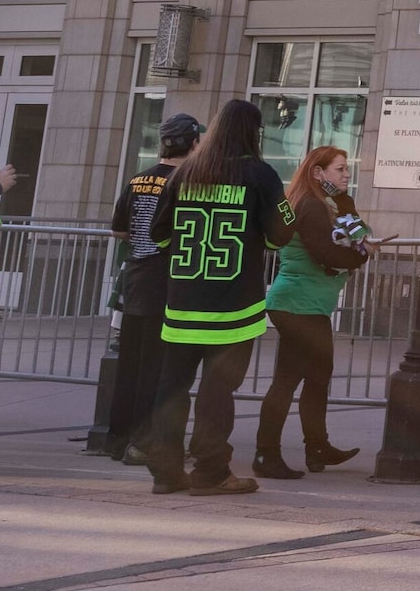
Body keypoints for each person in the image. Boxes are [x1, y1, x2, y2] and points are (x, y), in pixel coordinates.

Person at [138, 99, 292, 496]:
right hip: (234, 305)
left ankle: (165, 470)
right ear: (253, 133)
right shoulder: (260, 174)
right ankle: (211, 470)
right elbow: (283, 233)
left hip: (183, 300)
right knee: (217, 389)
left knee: (172, 387)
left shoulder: (185, 172)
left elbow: (157, 234)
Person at [254, 144, 370, 478]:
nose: (347, 174)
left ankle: (317, 448)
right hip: (297, 304)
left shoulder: (323, 203)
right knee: (287, 380)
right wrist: (360, 257)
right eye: (340, 169)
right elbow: (325, 254)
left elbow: (356, 230)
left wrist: (346, 202)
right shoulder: (311, 206)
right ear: (318, 173)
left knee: (318, 377)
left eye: (347, 168)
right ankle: (266, 455)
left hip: (305, 304)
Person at [103, 112, 201, 465]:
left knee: (129, 365)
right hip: (166, 283)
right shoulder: (186, 182)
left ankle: (117, 438)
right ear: (193, 143)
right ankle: (147, 441)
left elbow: (119, 230)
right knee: (157, 370)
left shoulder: (139, 179)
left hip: (135, 281)